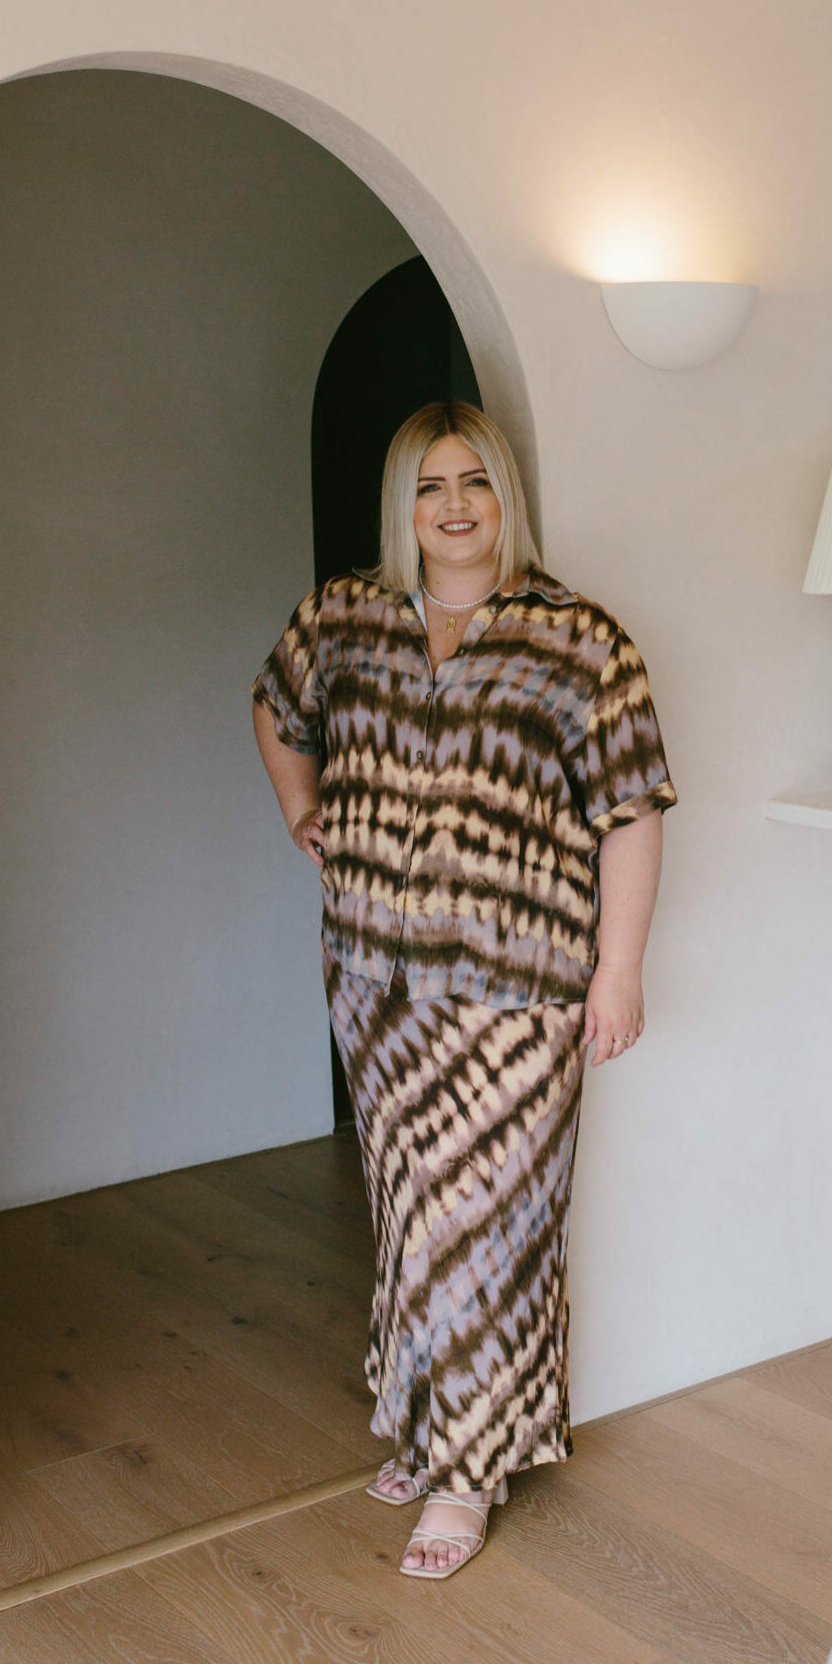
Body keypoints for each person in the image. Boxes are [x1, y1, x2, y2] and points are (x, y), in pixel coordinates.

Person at [251, 398, 676, 1580]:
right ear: (406, 504)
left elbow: (632, 815)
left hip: (519, 991)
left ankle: (469, 1472)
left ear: (506, 497)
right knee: (411, 1216)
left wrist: (620, 970)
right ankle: (429, 1419)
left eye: (476, 482)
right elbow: (275, 711)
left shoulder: (580, 640)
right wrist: (302, 806)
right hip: (376, 984)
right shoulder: (344, 617)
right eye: (432, 485)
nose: (454, 506)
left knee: (492, 1230)